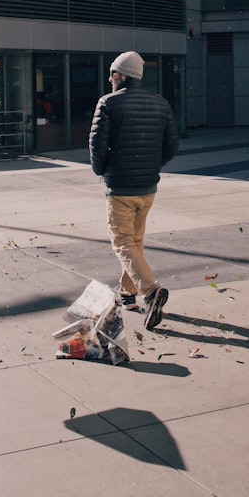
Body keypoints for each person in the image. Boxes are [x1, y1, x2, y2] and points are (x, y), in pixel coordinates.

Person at [89, 51, 179, 331]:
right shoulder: (161, 103)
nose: (109, 78)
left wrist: (104, 171)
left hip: (121, 187)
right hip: (148, 187)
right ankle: (127, 294)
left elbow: (97, 145)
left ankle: (151, 292)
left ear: (122, 75)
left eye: (112, 72)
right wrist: (151, 166)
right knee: (134, 242)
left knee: (122, 242)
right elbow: (171, 145)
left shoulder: (108, 103)